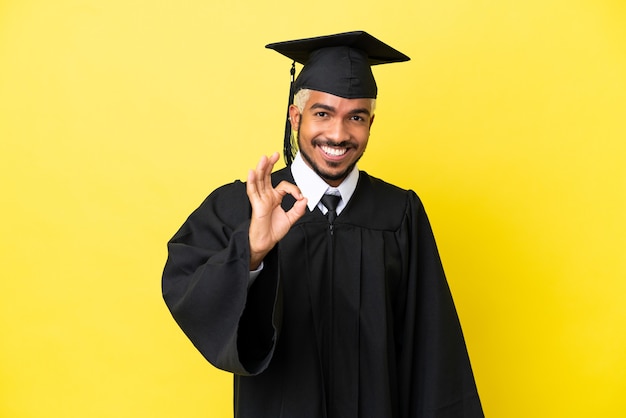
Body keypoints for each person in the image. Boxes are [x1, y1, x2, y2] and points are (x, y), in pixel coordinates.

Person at [162, 31, 483, 418]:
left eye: (356, 118)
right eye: (322, 113)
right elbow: (185, 288)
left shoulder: (399, 214)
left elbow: (433, 353)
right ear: (296, 116)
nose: (338, 134)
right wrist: (252, 252)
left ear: (371, 123)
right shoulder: (245, 205)